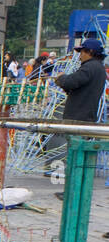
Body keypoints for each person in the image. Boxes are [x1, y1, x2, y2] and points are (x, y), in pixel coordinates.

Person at [47, 37, 108, 185]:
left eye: (82, 52)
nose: (79, 55)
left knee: (75, 155)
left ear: (90, 52)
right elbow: (77, 88)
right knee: (77, 155)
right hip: (86, 116)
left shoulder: (89, 67)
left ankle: (72, 190)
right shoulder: (98, 68)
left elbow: (71, 81)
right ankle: (74, 188)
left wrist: (61, 78)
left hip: (78, 118)